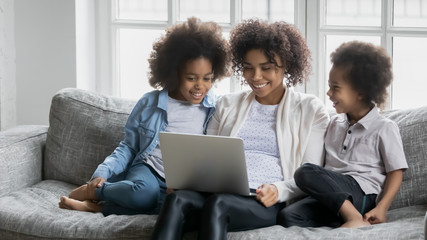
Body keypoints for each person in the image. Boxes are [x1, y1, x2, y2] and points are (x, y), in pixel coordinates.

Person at [150, 19, 330, 240]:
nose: (256, 77)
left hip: (265, 200)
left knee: (219, 204)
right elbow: (206, 156)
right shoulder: (227, 104)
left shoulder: (311, 109)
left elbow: (309, 175)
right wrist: (185, 182)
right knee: (176, 200)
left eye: (266, 68)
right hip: (216, 192)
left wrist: (278, 189)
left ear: (287, 65)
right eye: (248, 67)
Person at [58, 17, 230, 216]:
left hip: (183, 181)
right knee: (144, 194)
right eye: (191, 78)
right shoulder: (150, 102)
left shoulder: (213, 108)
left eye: (207, 78)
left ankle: (98, 207)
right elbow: (129, 147)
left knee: (181, 207)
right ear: (174, 73)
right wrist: (103, 172)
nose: (200, 86)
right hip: (149, 170)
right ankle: (95, 191)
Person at [277, 41, 408, 229]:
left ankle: (354, 217)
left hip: (361, 195)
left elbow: (395, 173)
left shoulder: (384, 127)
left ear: (361, 93)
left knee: (305, 172)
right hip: (331, 197)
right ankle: (344, 220)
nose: (329, 93)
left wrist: (382, 208)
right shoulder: (334, 123)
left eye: (336, 88)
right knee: (287, 216)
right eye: (329, 86)